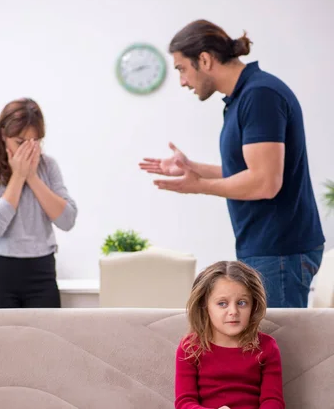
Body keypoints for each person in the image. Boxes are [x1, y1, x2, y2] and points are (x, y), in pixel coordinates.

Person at [139, 20, 325, 308]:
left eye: (181, 69)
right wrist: (194, 168)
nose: (182, 81)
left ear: (204, 59)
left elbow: (265, 182)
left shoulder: (260, 95)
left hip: (279, 250)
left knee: (278, 346)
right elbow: (253, 171)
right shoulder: (244, 97)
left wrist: (198, 187)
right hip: (269, 248)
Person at [167, 260, 287, 409]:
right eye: (222, 303)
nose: (233, 311)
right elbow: (184, 403)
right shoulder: (191, 347)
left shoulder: (266, 347)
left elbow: (274, 400)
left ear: (253, 306)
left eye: (241, 303)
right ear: (205, 307)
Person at [0, 98, 77, 308]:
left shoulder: (48, 166)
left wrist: (32, 177)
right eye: (20, 142)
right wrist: (18, 176)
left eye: (35, 141)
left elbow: (67, 220)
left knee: (44, 339)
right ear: (3, 136)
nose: (28, 150)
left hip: (41, 268)